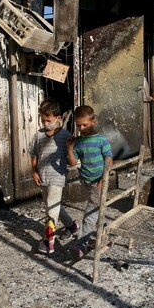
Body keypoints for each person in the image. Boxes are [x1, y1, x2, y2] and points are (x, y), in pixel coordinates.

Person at [28, 99, 78, 254]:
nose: (45, 123)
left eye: (48, 120)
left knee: (50, 211)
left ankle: (48, 242)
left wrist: (71, 149)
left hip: (57, 178)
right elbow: (34, 155)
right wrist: (34, 171)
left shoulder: (65, 136)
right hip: (43, 177)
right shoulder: (39, 136)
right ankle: (71, 226)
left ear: (58, 118)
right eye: (43, 120)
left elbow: (72, 160)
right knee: (54, 207)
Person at [66, 105, 113, 260]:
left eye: (84, 124)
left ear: (94, 121)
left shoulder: (101, 140)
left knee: (90, 213)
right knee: (98, 209)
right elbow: (73, 163)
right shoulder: (78, 141)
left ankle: (80, 244)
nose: (81, 128)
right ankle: (105, 236)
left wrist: (103, 179)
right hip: (85, 181)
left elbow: (109, 161)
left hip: (99, 182)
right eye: (78, 125)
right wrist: (70, 148)